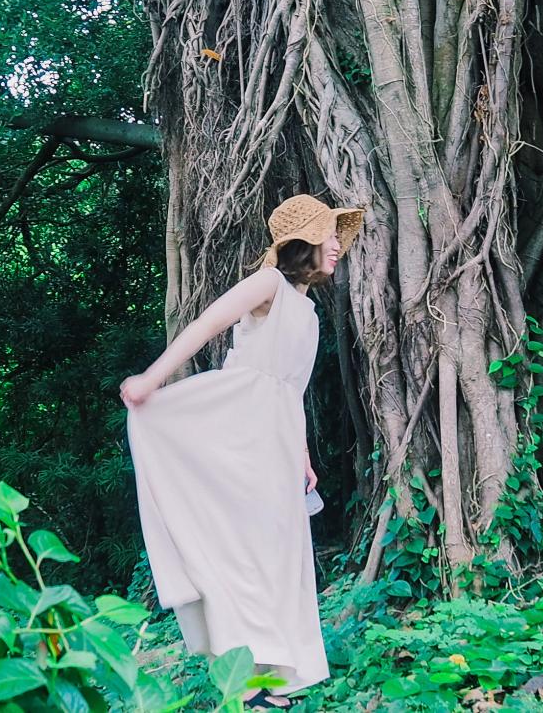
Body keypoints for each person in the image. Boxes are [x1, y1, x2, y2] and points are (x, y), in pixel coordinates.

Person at [121, 194, 363, 708]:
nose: (338, 245)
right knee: (242, 547)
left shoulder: (307, 307)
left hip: (274, 435)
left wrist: (301, 454)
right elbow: (205, 325)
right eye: (329, 235)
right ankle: (248, 676)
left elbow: (292, 390)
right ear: (305, 241)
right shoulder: (268, 282)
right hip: (235, 423)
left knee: (275, 549)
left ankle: (274, 675)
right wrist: (150, 379)